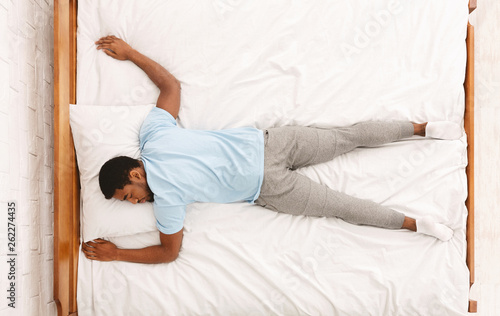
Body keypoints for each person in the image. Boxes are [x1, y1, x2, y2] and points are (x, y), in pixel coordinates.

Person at [82, 36, 460, 264]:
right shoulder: (163, 189)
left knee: (348, 137)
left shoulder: (154, 143)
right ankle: (414, 224)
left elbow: (170, 88)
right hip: (270, 187)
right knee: (343, 206)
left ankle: (422, 129)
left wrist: (132, 53)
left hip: (272, 144)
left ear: (135, 173)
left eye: (128, 196)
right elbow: (169, 253)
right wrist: (117, 254)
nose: (134, 203)